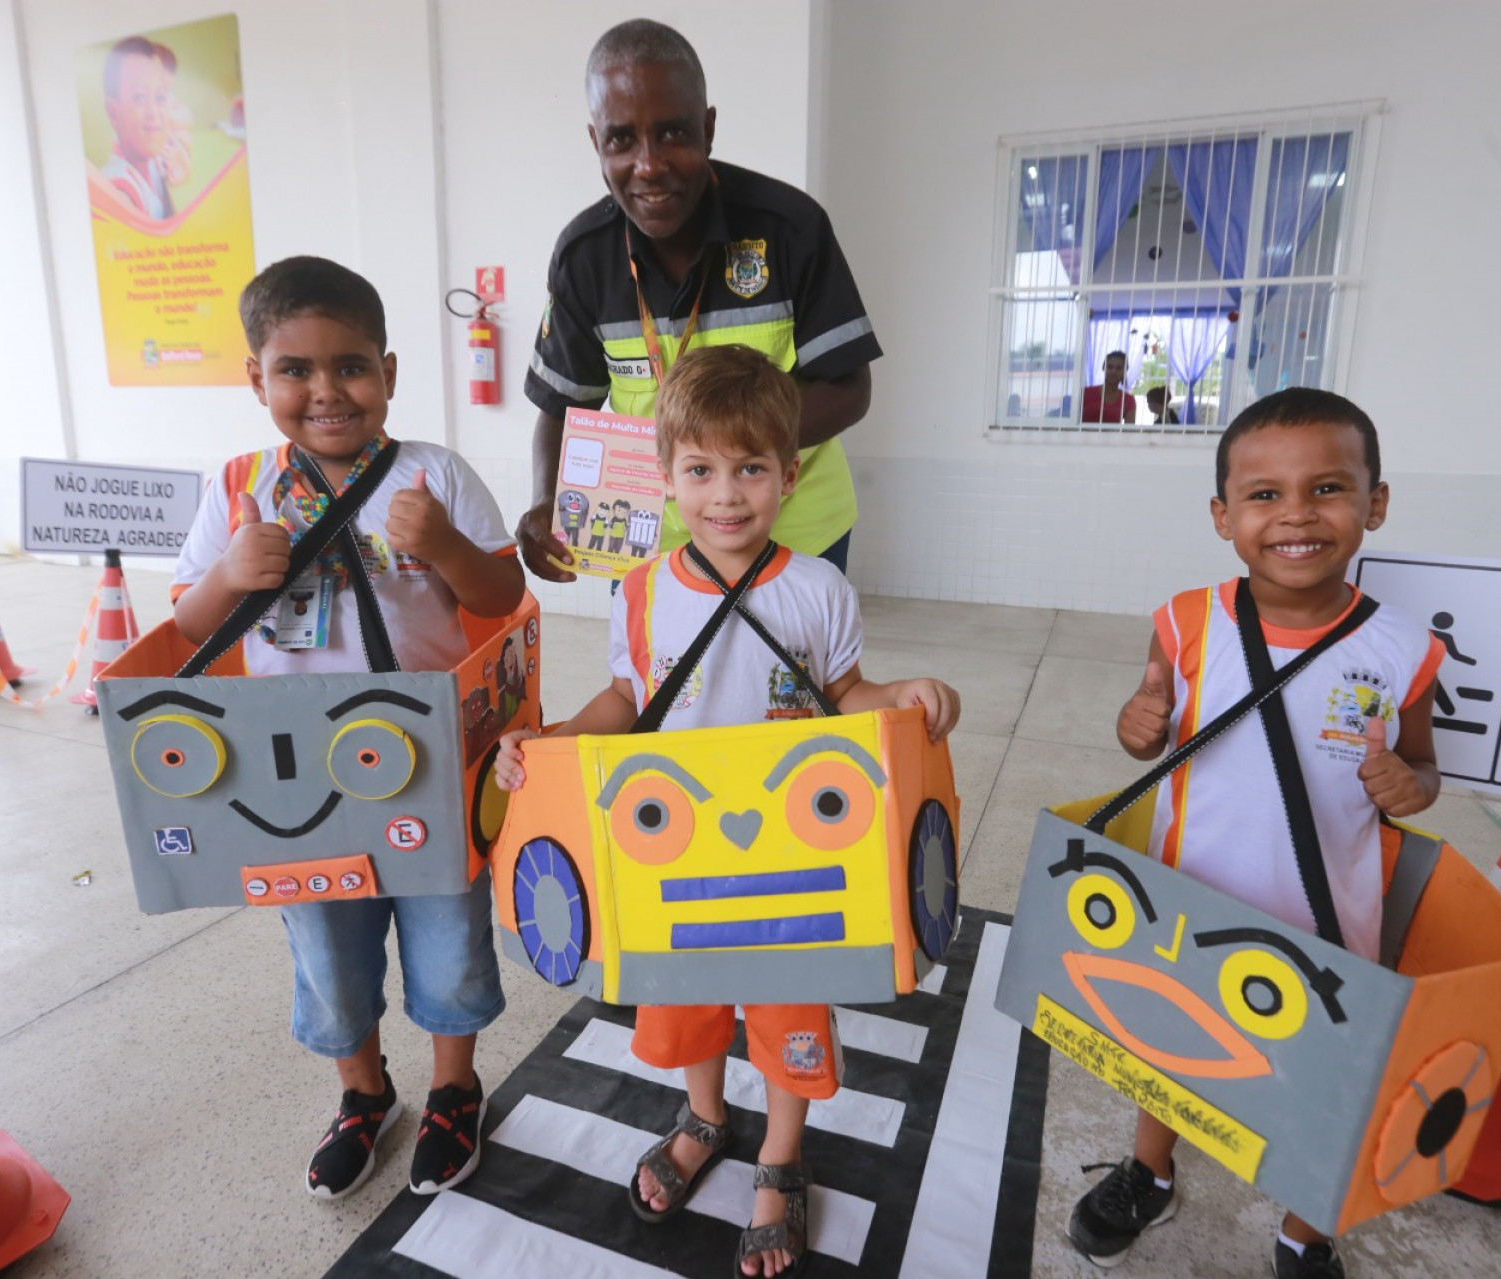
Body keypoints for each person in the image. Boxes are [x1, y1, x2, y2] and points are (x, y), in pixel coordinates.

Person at [494, 346, 960, 1277]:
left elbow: (846, 694)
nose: (727, 494)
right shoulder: (641, 592)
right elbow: (626, 699)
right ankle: (704, 1116)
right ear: (666, 477)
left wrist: (902, 693)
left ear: (790, 473)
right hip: (674, 862)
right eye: (701, 470)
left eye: (750, 468)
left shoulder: (818, 588)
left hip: (790, 862)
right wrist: (553, 740)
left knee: (789, 1010)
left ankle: (781, 1157)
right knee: (686, 1004)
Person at [172, 256, 526, 1202]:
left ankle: (454, 1088)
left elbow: (503, 593)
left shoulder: (433, 473)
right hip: (294, 776)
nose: (327, 391)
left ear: (389, 372)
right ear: (257, 379)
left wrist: (443, 544)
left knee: (448, 937)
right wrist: (230, 573)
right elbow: (191, 624)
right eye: (296, 369)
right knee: (327, 945)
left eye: (352, 366)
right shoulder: (240, 485)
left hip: (427, 761)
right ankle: (363, 1093)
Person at [1073, 387, 1444, 1279]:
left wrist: (1412, 784)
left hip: (1327, 919)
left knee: (1319, 1081)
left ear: (1375, 503)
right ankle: (1150, 1171)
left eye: (1328, 488)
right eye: (1265, 494)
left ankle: (1304, 1230)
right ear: (1223, 516)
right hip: (1186, 905)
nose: (1297, 515)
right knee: (1170, 1049)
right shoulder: (1185, 622)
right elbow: (1150, 730)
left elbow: (1424, 769)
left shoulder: (1402, 649)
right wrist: (1137, 726)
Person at [518, 19, 881, 581]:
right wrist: (546, 499)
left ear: (708, 129)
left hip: (797, 537)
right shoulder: (583, 257)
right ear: (596, 142)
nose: (649, 165)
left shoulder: (790, 228)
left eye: (673, 133)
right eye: (621, 139)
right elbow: (562, 407)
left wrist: (725, 453)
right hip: (653, 550)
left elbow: (850, 388)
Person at [100, 35, 190, 221]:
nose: (154, 112)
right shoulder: (119, 193)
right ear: (113, 113)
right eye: (139, 97)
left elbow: (174, 169)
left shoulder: (152, 160)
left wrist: (181, 167)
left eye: (160, 97)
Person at [1081, 350, 1137, 424]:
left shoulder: (1128, 400)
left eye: (1118, 368)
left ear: (1124, 371)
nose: (1113, 371)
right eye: (1110, 367)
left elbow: (1129, 429)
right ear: (1104, 368)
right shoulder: (1085, 393)